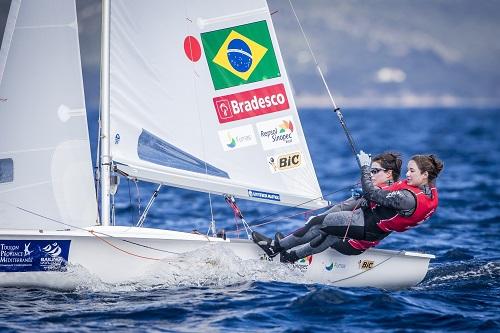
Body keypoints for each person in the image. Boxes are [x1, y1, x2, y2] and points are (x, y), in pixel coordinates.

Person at [252, 152, 444, 263]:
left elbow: (374, 194)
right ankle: (290, 256)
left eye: (412, 171)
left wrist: (363, 169)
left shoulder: (408, 198)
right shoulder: (429, 194)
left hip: (367, 226)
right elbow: (385, 202)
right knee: (330, 230)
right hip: (372, 227)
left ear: (425, 175)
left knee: (319, 223)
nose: (408, 175)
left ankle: (275, 248)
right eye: (408, 170)